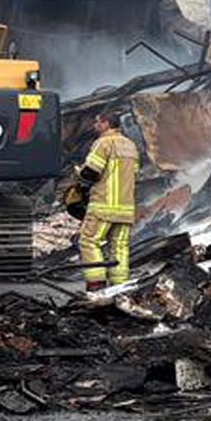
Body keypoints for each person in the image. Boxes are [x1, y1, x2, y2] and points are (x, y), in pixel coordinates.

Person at [68, 109, 142, 296]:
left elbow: (91, 172)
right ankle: (120, 289)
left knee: (88, 241)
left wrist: (80, 175)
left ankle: (96, 286)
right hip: (126, 208)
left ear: (106, 124)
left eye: (97, 122)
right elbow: (135, 175)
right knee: (119, 246)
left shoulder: (103, 143)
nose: (95, 126)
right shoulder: (130, 146)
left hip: (103, 206)